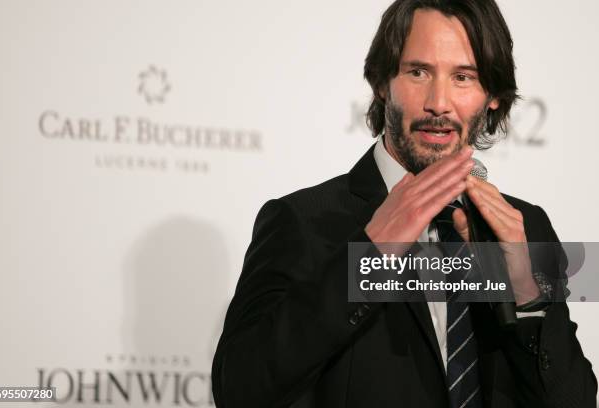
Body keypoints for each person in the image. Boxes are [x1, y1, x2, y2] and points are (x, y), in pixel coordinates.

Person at [212, 0, 597, 407]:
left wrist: (526, 293)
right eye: (418, 72)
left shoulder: (528, 227)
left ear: (493, 97)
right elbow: (239, 389)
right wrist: (369, 257)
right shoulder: (303, 221)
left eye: (463, 77)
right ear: (381, 83)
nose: (439, 103)